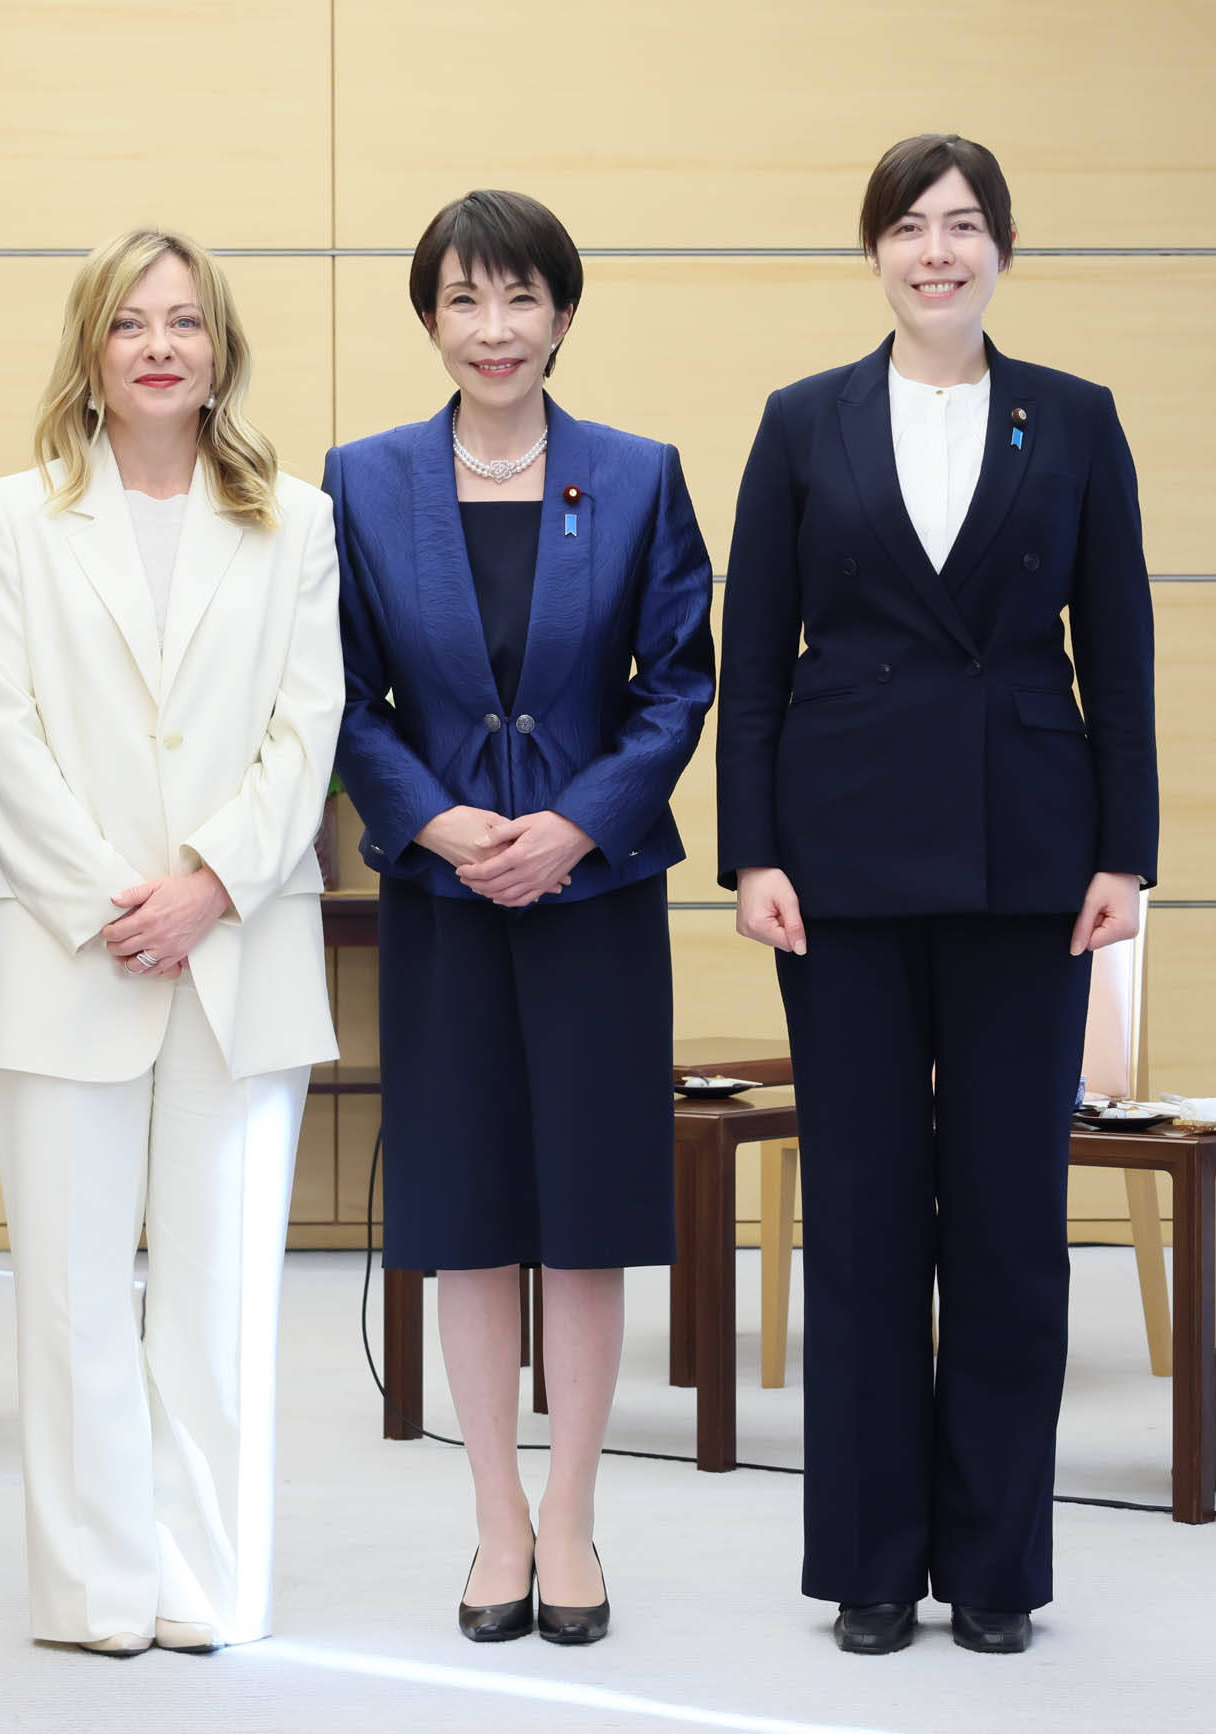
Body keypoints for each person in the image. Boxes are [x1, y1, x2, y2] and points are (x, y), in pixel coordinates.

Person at [717, 134, 1157, 1656]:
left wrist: (1126, 849)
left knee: (1011, 1225)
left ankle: (994, 1568)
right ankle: (868, 1561)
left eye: (963, 225)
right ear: (875, 252)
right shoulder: (802, 422)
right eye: (909, 226)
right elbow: (752, 659)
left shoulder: (1077, 420)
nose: (937, 251)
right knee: (858, 1218)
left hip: (1028, 858)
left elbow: (1121, 646)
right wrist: (752, 851)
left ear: (1003, 251)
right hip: (834, 866)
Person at [323, 189, 715, 1647]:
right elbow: (340, 692)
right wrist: (431, 818)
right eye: (465, 301)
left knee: (586, 1217)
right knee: (470, 1211)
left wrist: (573, 823)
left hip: (594, 891)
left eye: (522, 299)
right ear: (429, 319)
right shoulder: (361, 484)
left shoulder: (639, 474)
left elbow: (679, 680)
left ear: (563, 311)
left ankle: (571, 1516)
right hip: (439, 892)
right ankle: (493, 1519)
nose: (495, 329)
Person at [0, 228, 343, 1658]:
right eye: (132, 323)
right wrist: (116, 897)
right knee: (67, 1296)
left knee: (220, 1295)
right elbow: (0, 730)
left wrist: (209, 886)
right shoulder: (11, 517)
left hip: (240, 951)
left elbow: (309, 730)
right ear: (92, 351)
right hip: (68, 952)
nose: (161, 344)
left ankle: (210, 1583)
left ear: (221, 349)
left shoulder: (295, 521)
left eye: (186, 321)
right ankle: (96, 1587)